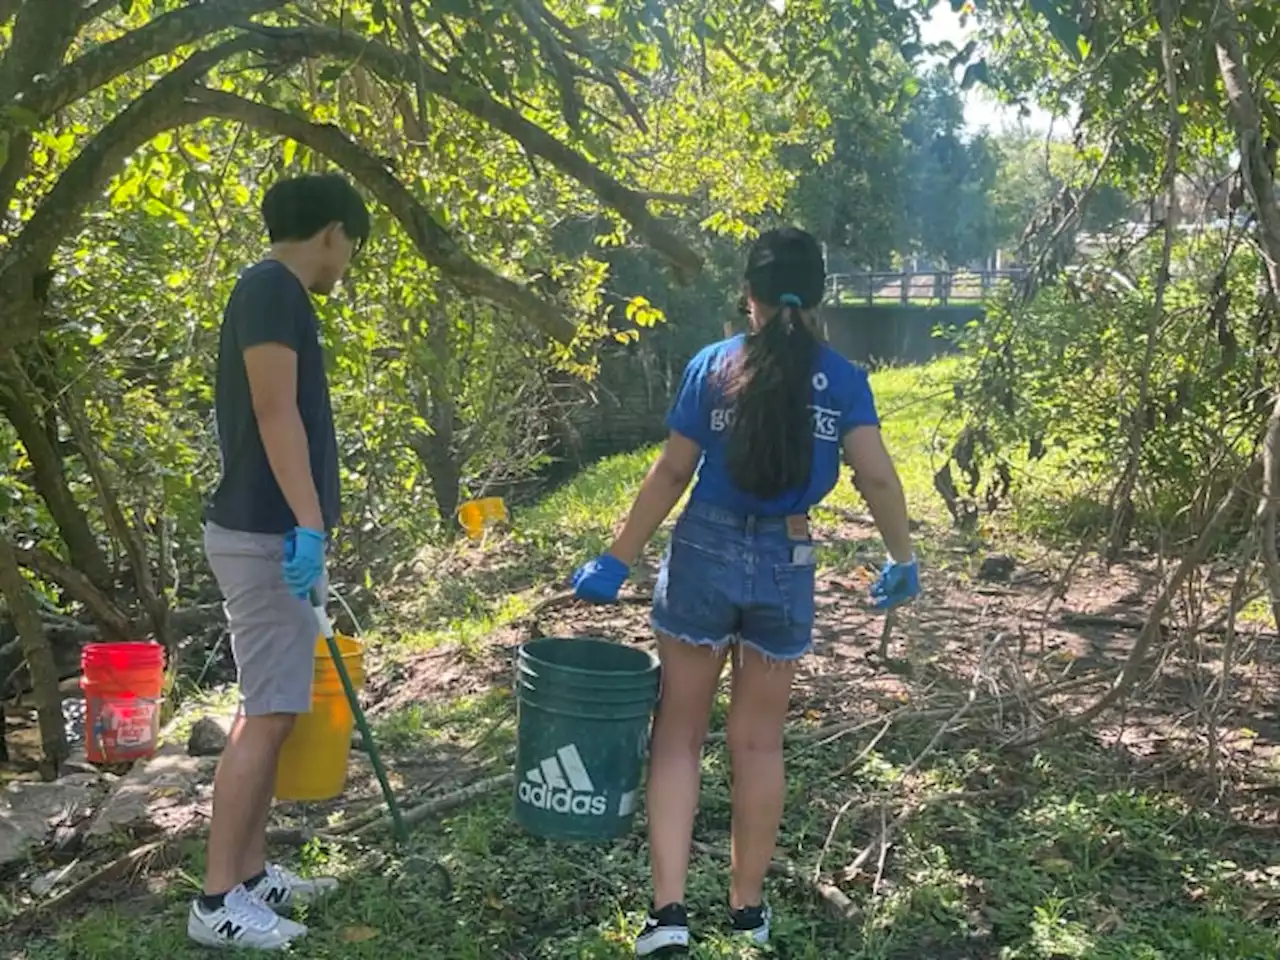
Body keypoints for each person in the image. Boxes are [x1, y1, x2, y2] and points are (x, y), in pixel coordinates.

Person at [571, 227, 919, 956]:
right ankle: (747, 911)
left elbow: (671, 472)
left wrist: (618, 558)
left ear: (747, 296)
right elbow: (878, 476)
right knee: (758, 743)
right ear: (819, 296)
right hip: (786, 560)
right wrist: (901, 557)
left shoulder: (711, 367)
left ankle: (668, 915)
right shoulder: (842, 379)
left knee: (678, 734)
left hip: (703, 550)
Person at [190, 173, 369, 950]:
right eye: (352, 249)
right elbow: (273, 410)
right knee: (263, 718)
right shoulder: (270, 290)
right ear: (333, 233)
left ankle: (253, 873)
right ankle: (216, 901)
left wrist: (311, 527)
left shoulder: (278, 296)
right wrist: (307, 526)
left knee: (275, 707)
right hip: (265, 534)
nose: (348, 265)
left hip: (279, 535)